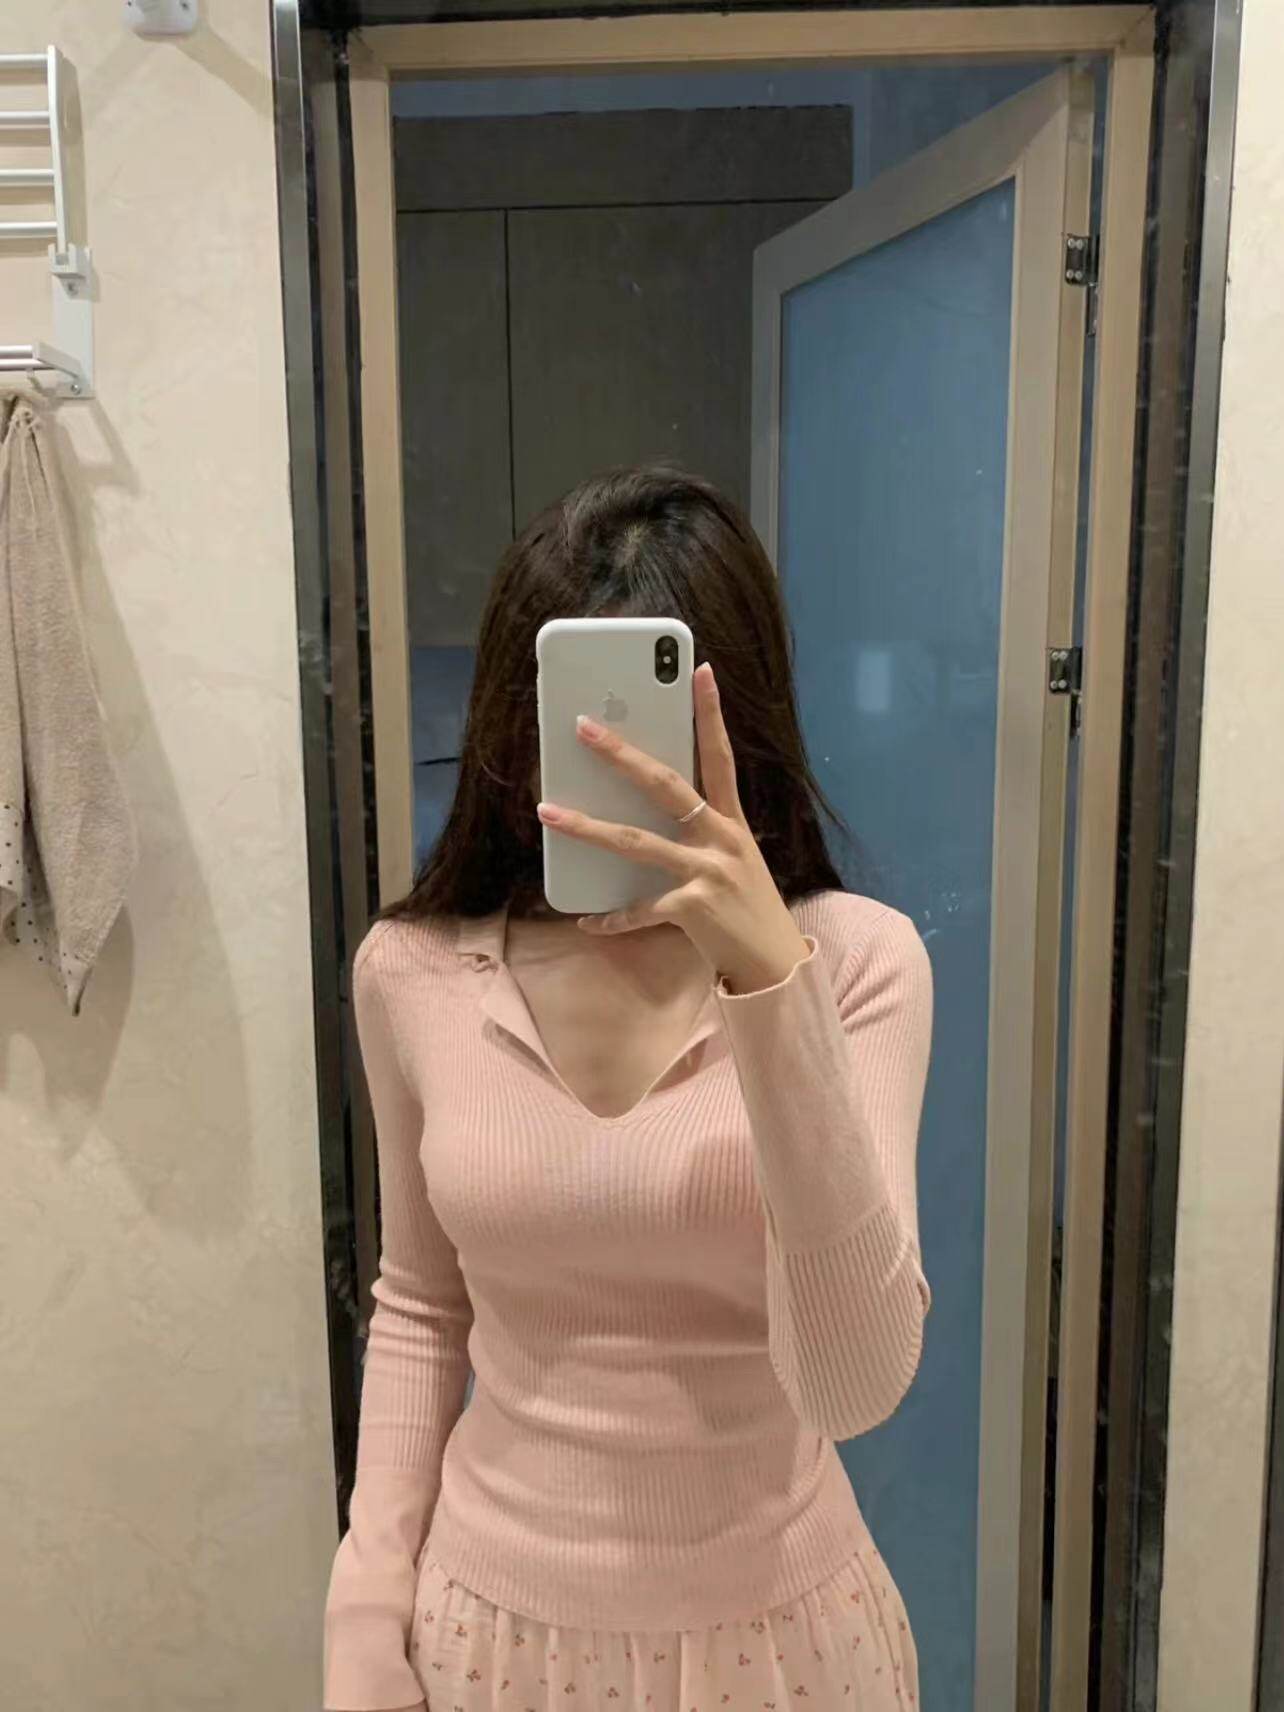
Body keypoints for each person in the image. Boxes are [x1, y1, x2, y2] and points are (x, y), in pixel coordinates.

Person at [322, 466, 933, 1712]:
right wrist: (365, 1604)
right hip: (492, 1637)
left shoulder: (861, 962)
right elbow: (422, 1303)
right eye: (571, 716)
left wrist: (771, 984)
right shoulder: (410, 971)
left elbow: (854, 1382)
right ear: (516, 718)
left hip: (783, 1644)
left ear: (739, 721)